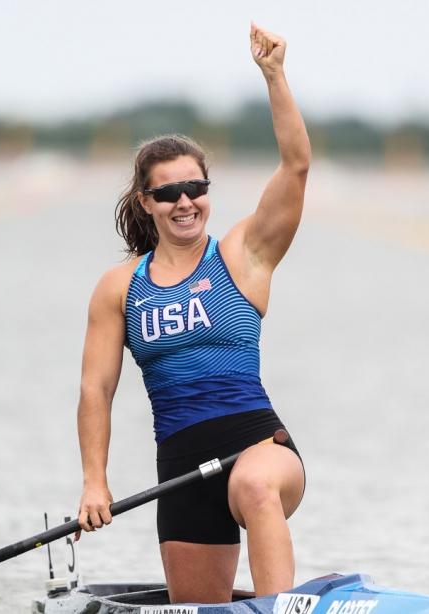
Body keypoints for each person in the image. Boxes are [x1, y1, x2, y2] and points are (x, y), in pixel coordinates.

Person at [75, 22, 311, 604]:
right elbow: (95, 389)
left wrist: (275, 76)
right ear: (145, 203)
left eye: (195, 188)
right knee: (198, 606)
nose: (185, 202)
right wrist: (94, 482)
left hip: (261, 447)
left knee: (256, 485)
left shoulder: (244, 256)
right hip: (180, 468)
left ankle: (278, 608)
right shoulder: (119, 288)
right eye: (168, 193)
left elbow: (296, 168)